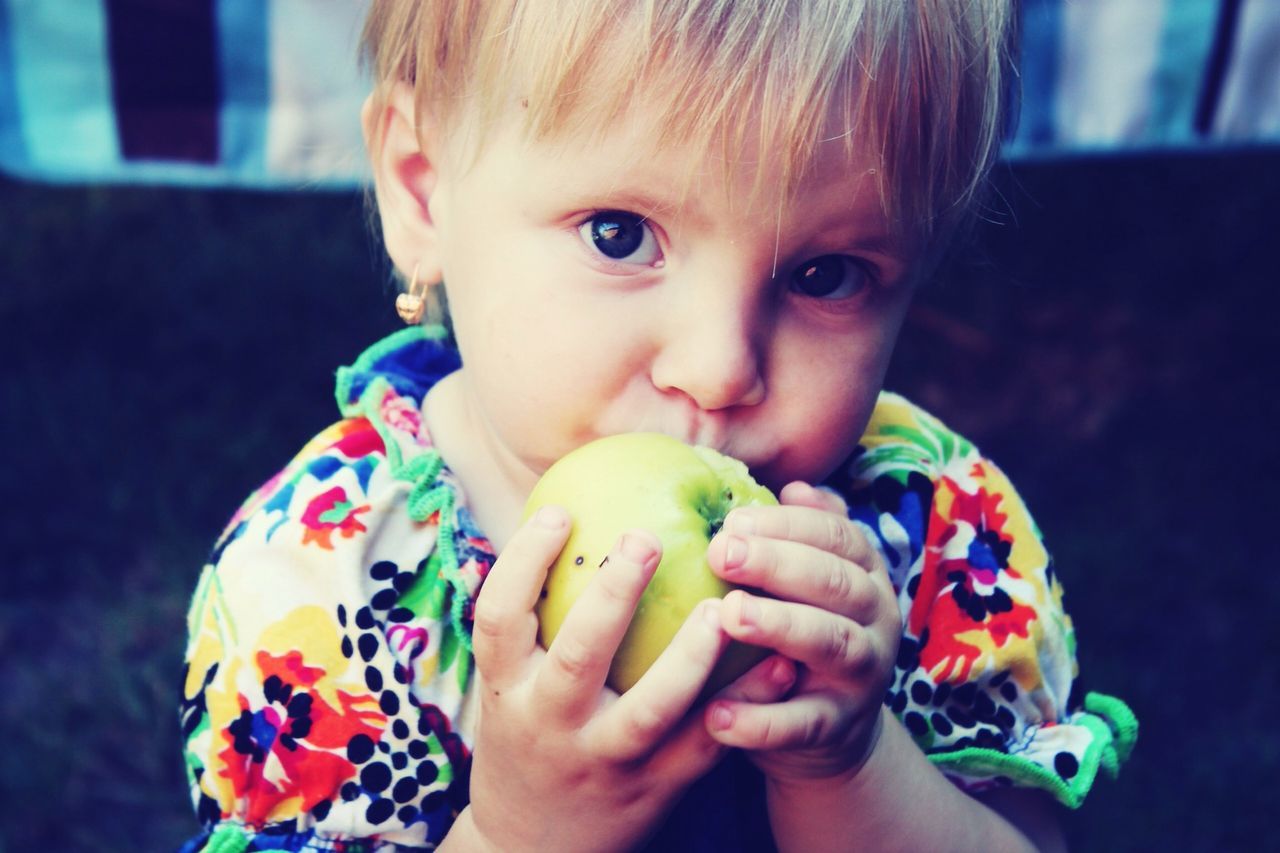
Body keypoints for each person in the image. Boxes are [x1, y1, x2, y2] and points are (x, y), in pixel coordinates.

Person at [179, 1, 1137, 849]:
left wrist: (851, 767)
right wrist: (521, 834)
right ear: (423, 188)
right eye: (620, 235)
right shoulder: (328, 577)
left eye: (825, 275)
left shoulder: (927, 532)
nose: (720, 368)